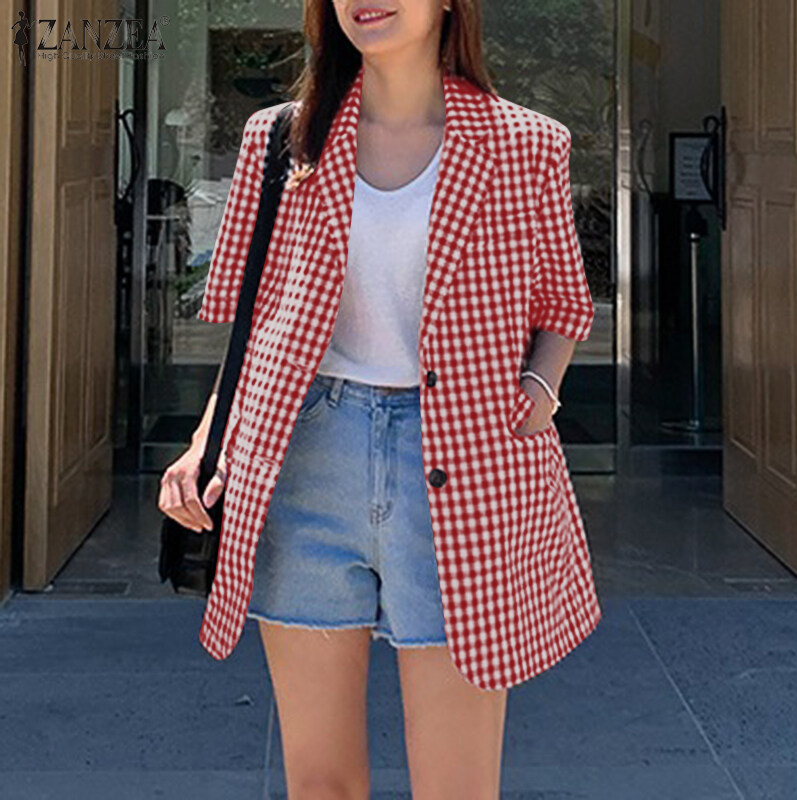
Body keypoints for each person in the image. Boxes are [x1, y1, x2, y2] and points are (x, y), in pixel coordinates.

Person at [160, 1, 597, 796]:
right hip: (306, 461)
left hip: (464, 465)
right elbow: (255, 322)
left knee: (456, 785)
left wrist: (541, 389)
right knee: (320, 783)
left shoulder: (525, 144)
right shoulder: (281, 139)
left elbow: (565, 304)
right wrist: (204, 441)